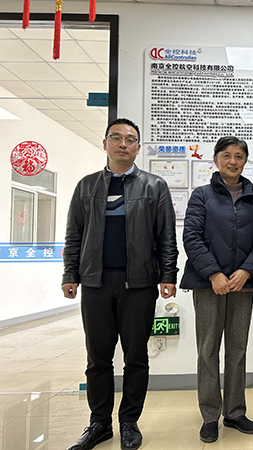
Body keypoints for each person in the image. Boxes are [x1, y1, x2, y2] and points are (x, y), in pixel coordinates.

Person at [62, 118, 178, 450]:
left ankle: (129, 421)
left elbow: (166, 237)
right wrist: (70, 274)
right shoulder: (86, 186)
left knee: (136, 357)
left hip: (139, 284)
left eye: (130, 139)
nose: (123, 144)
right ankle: (99, 423)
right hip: (95, 283)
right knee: (97, 359)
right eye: (116, 138)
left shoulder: (154, 186)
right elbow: (74, 235)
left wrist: (167, 275)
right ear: (105, 144)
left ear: (138, 147)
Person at [180, 136, 253, 444]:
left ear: (245, 161)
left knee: (237, 349)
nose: (233, 161)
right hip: (208, 285)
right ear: (216, 160)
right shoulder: (202, 195)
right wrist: (214, 274)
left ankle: (234, 412)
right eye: (227, 155)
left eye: (239, 156)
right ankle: (210, 415)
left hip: (243, 285)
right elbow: (192, 237)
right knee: (208, 350)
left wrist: (246, 271)